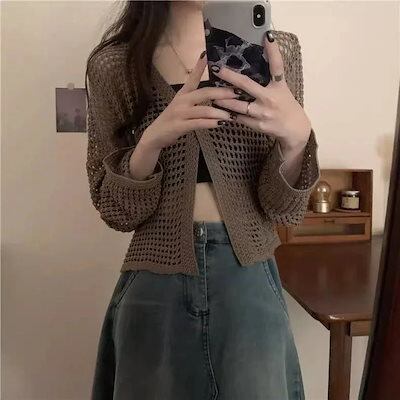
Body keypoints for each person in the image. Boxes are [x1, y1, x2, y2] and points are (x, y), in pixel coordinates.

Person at [85, 1, 320, 399]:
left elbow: (281, 209)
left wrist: (296, 143)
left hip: (248, 274)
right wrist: (150, 143)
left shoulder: (275, 51)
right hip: (156, 274)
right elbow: (116, 210)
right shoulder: (114, 64)